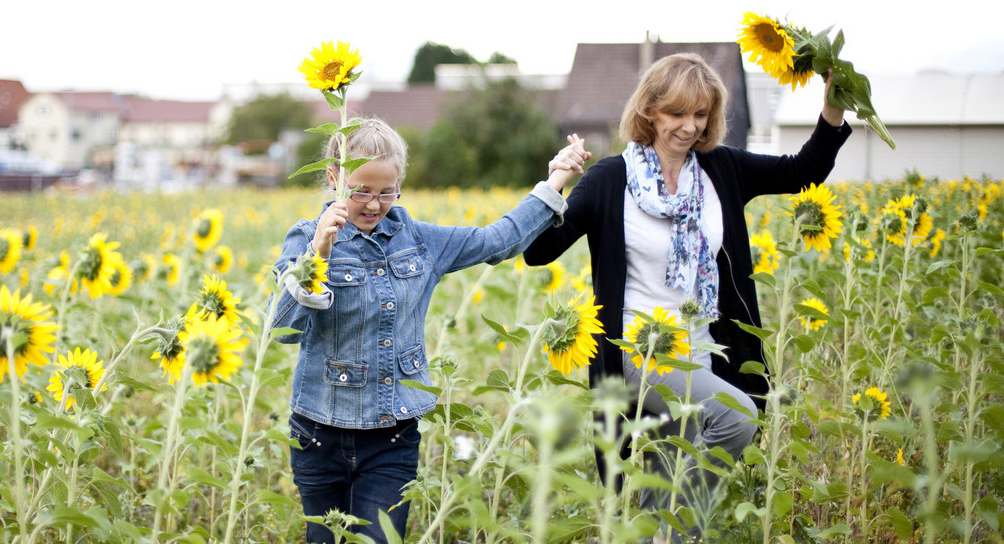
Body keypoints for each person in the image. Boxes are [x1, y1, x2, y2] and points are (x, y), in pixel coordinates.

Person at [526, 52, 850, 542]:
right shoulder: (611, 180)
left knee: (666, 477)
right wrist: (556, 180)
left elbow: (800, 172)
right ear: (650, 111)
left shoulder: (722, 170)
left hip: (700, 349)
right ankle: (685, 531)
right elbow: (539, 250)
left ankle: (670, 533)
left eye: (700, 115)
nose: (689, 127)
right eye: (677, 114)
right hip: (640, 351)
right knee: (739, 417)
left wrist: (831, 111)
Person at [270, 116, 588, 544]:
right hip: (317, 435)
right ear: (333, 178)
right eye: (360, 189)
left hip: (392, 437)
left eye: (387, 192)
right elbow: (284, 329)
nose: (372, 204)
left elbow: (499, 240)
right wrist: (318, 255)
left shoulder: (419, 241)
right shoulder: (306, 237)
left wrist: (554, 183)